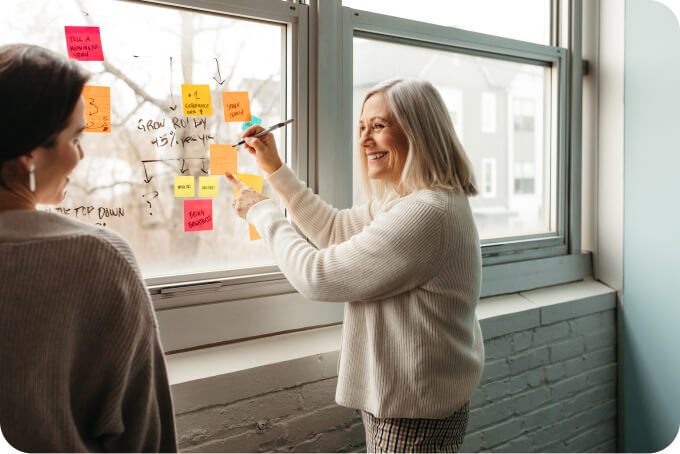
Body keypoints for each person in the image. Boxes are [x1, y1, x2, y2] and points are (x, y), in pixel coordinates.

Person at [226, 78, 485, 453]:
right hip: (410, 403)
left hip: (413, 415)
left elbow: (318, 276)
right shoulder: (409, 200)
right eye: (362, 128)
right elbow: (334, 229)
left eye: (379, 126)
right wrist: (274, 169)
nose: (364, 141)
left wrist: (263, 213)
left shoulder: (426, 214)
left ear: (420, 131)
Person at [0, 44, 177, 452]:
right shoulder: (99, 259)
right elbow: (147, 440)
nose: (80, 156)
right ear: (29, 154)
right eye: (75, 138)